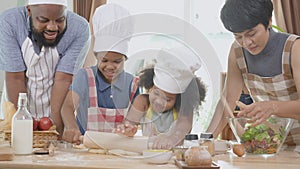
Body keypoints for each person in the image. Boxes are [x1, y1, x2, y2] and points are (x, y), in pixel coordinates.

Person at [206, 0, 300, 141]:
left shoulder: (294, 48)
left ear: (269, 21)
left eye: (252, 33)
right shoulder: (237, 52)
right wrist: (205, 140)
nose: (246, 43)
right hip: (275, 144)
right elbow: (227, 101)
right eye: (238, 36)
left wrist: (273, 107)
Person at [0, 0, 90, 137]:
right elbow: (15, 78)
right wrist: (21, 125)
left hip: (56, 110)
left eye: (60, 20)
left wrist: (56, 129)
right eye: (43, 20)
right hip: (18, 107)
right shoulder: (10, 22)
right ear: (29, 11)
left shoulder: (79, 28)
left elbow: (64, 80)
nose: (52, 27)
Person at [61, 3, 139, 144]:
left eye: (117, 61)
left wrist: (129, 127)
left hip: (119, 150)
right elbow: (67, 106)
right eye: (104, 60)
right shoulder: (84, 77)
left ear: (125, 59)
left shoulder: (132, 84)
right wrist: (71, 126)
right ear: (96, 56)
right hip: (84, 148)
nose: (110, 66)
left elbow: (134, 120)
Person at [115, 47, 207, 149]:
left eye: (168, 99)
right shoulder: (143, 101)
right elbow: (130, 122)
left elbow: (181, 130)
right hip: (147, 154)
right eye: (156, 93)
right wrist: (128, 129)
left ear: (179, 99)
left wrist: (172, 139)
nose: (159, 101)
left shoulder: (184, 109)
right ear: (150, 87)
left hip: (174, 157)